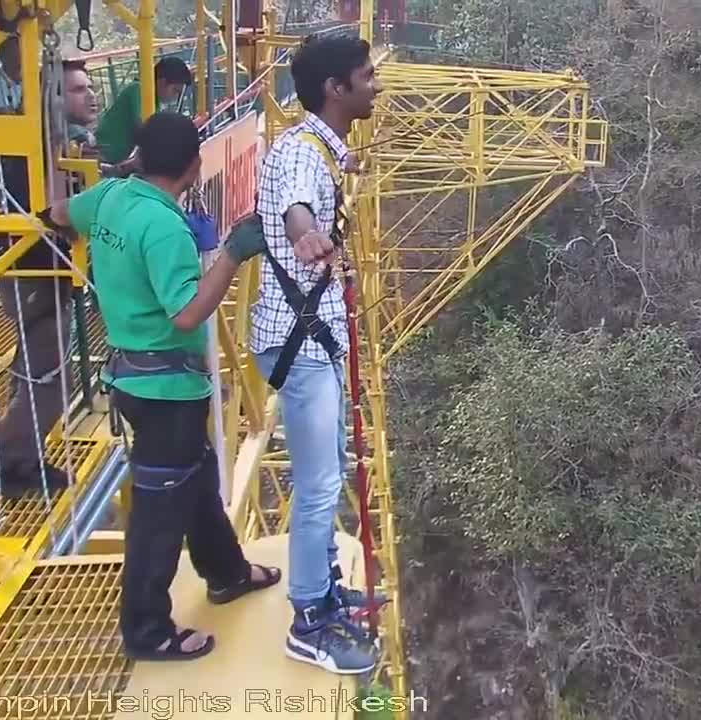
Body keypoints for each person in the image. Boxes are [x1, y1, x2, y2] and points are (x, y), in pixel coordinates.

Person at [39, 111, 279, 660]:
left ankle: (227, 572)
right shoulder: (165, 229)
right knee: (158, 515)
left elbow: (57, 215)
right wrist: (234, 254)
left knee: (191, 482)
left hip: (133, 377)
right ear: (194, 168)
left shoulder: (109, 198)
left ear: (140, 158)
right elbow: (188, 314)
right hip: (165, 388)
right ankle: (147, 631)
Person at [249, 29, 382, 675]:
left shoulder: (317, 148)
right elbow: (298, 204)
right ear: (336, 88)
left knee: (327, 465)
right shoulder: (302, 155)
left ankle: (324, 590)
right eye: (366, 75)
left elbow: (315, 179)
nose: (375, 84)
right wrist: (304, 233)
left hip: (310, 335)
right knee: (321, 482)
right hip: (299, 341)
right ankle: (310, 618)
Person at [0, 59, 101, 497]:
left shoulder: (64, 144)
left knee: (42, 372)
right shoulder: (38, 149)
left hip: (47, 268)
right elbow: (53, 211)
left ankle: (24, 458)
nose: (92, 95)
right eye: (79, 90)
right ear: (54, 99)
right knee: (50, 377)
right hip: (31, 270)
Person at [95, 56, 191, 164]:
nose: (175, 97)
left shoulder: (155, 101)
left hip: (119, 159)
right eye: (175, 91)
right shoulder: (138, 90)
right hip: (104, 157)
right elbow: (145, 130)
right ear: (162, 82)